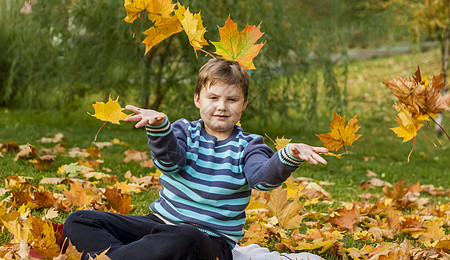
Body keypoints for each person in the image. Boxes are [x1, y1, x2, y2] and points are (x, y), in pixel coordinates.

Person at [62, 58, 328, 260]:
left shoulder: (249, 145)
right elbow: (169, 163)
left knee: (184, 236)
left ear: (244, 103)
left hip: (208, 241)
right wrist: (159, 128)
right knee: (80, 220)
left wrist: (287, 155)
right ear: (197, 99)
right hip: (158, 225)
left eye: (232, 99)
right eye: (213, 97)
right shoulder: (182, 131)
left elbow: (261, 179)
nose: (222, 106)